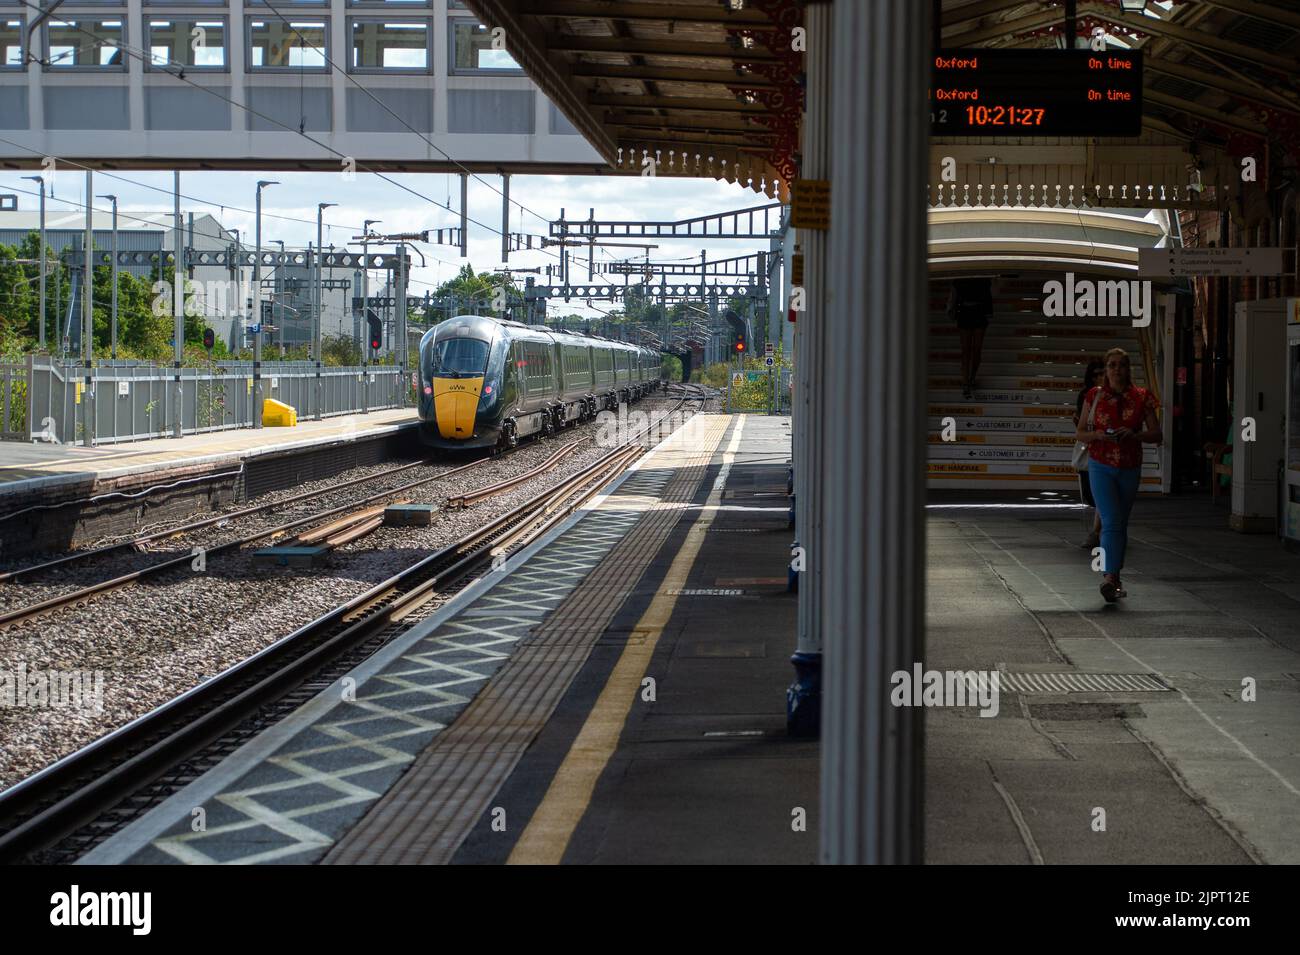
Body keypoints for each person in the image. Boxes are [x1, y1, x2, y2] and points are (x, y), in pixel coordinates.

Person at [1076, 347, 1162, 602]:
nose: (1116, 370)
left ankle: (1115, 578)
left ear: (1128, 368)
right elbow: (1080, 432)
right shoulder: (1094, 396)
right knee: (1112, 520)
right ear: (1106, 369)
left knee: (1120, 522)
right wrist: (1097, 435)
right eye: (1111, 365)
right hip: (1100, 464)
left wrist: (1135, 434)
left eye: (1121, 365)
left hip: (1130, 466)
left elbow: (1157, 435)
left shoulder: (1143, 398)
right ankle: (1109, 577)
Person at [1073, 359, 1106, 548]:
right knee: (1090, 493)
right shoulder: (1087, 395)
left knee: (1102, 494)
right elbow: (1081, 426)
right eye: (1096, 375)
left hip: (1106, 452)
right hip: (1090, 448)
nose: (1099, 378)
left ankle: (1097, 531)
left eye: (1102, 373)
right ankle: (1100, 529)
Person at [948, 277, 993, 398]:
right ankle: (968, 380)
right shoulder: (982, 280)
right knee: (970, 350)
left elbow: (954, 295)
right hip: (973, 312)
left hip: (970, 312)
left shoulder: (961, 279)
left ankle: (968, 381)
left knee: (970, 350)